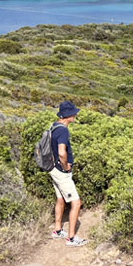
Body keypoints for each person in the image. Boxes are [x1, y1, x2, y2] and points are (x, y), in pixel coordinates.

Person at [49, 100, 87, 246]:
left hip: (52, 169)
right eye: (73, 113)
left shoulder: (54, 125)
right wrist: (65, 167)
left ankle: (57, 230)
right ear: (68, 115)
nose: (75, 115)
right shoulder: (63, 130)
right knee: (76, 203)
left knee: (60, 199)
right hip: (61, 172)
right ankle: (71, 238)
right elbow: (61, 152)